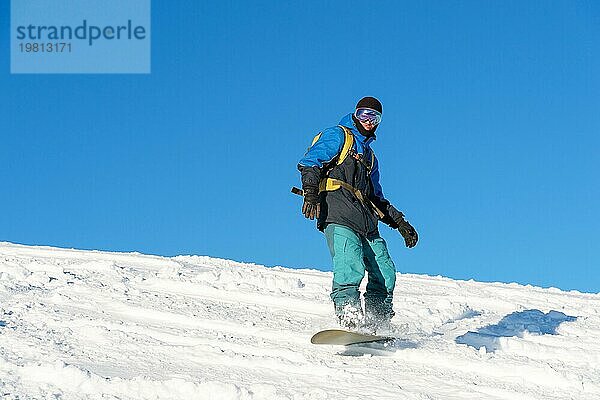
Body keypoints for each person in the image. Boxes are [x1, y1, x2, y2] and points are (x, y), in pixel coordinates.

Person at [297, 96, 418, 332]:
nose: (369, 121)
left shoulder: (370, 157)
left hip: (367, 221)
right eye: (365, 114)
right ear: (355, 114)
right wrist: (310, 190)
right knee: (350, 265)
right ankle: (350, 319)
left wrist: (401, 223)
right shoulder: (339, 135)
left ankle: (378, 323)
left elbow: (376, 197)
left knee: (385, 273)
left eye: (375, 117)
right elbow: (311, 161)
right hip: (338, 211)